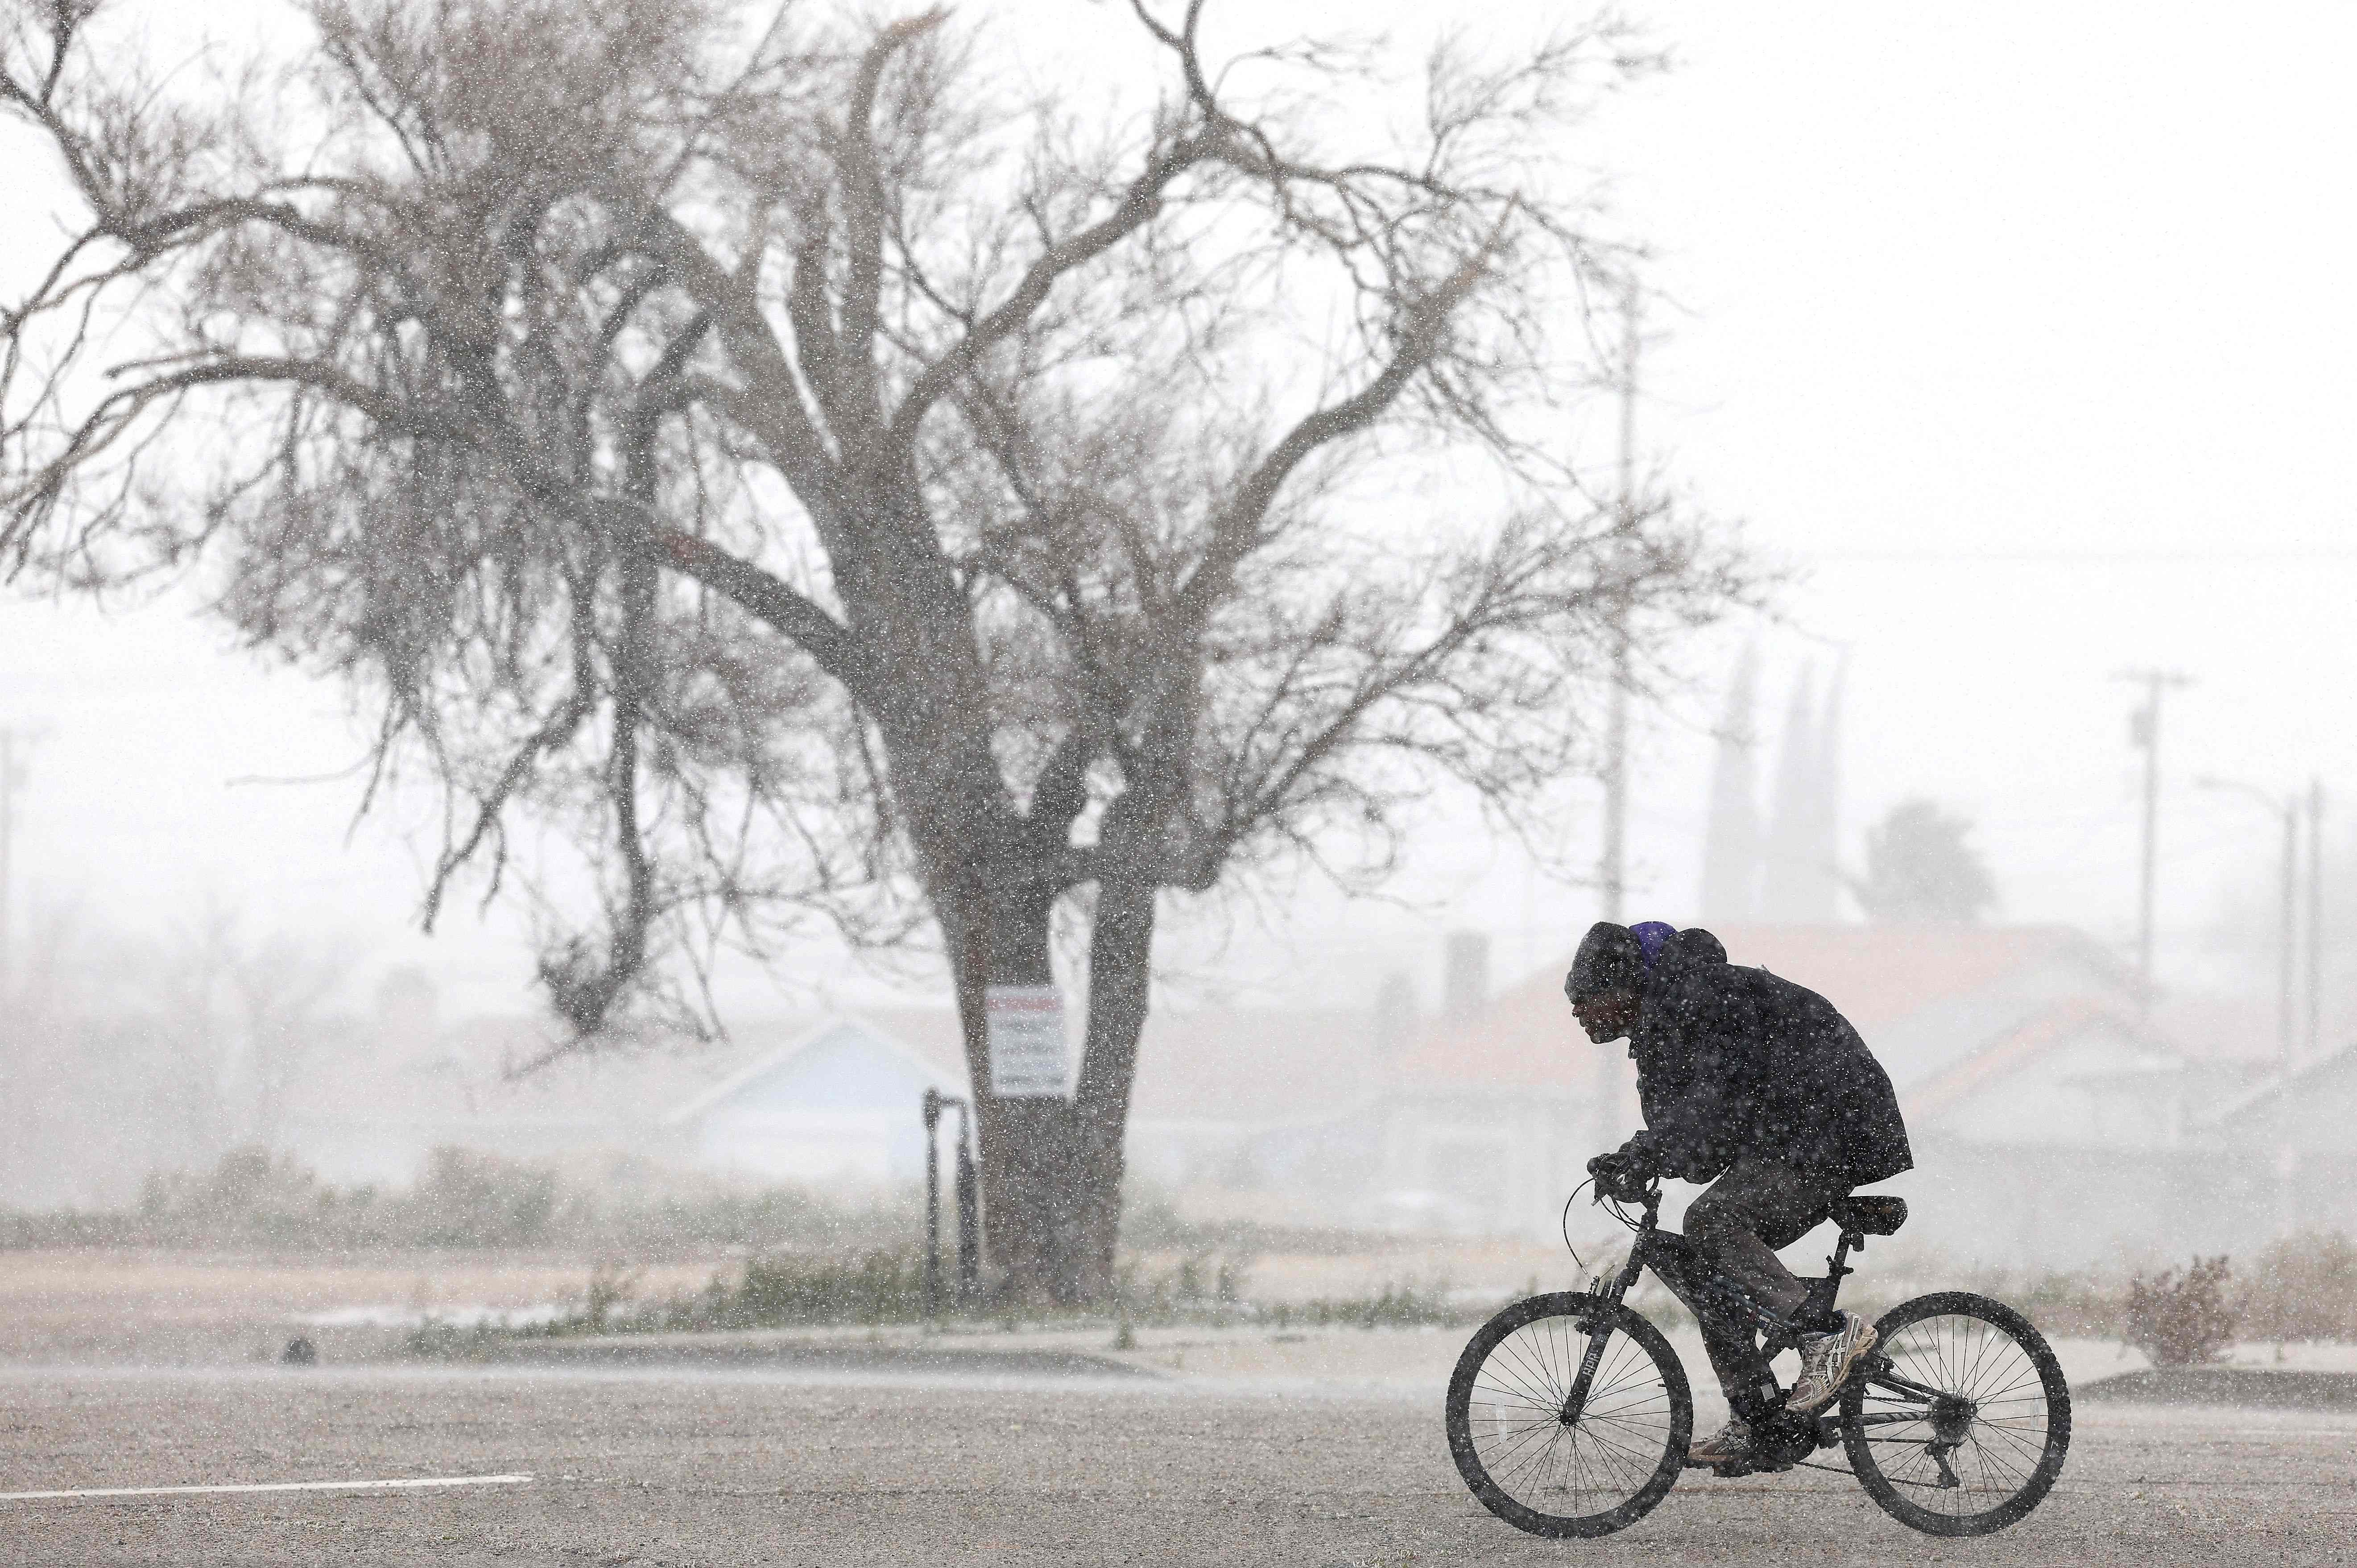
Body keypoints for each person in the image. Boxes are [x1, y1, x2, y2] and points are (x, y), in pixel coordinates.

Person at [1566, 919, 1913, 1469]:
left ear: (1624, 987)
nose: (1578, 1014)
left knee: (1711, 1223)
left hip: (1830, 1125)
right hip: (1794, 1131)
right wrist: (1641, 1158)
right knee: (1711, 1276)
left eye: (1586, 999)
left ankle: (1828, 1334)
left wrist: (1646, 1151)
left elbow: (1715, 1103)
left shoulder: (1702, 997)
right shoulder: (1661, 1028)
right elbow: (1701, 1147)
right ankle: (1758, 1421)